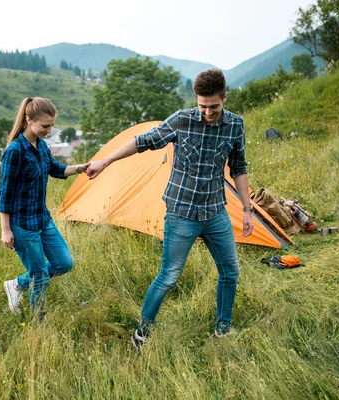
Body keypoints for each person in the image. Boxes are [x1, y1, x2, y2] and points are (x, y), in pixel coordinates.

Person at [86, 69, 254, 349]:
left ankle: (223, 329)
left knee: (230, 272)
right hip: (181, 213)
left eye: (214, 106)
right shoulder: (182, 120)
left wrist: (247, 209)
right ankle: (141, 334)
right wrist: (105, 161)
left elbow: (239, 167)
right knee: (169, 276)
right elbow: (143, 142)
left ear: (224, 97)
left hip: (215, 212)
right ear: (195, 101)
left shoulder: (236, 126)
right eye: (202, 106)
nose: (208, 112)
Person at [0, 96, 88, 318]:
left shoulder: (42, 146)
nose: (49, 130)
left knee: (64, 263)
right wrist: (6, 229)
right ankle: (40, 324)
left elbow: (56, 169)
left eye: (51, 126)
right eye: (45, 126)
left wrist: (81, 168)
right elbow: (4, 193)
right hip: (22, 225)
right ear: (29, 120)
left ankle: (17, 284)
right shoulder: (15, 151)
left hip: (42, 219)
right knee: (39, 274)